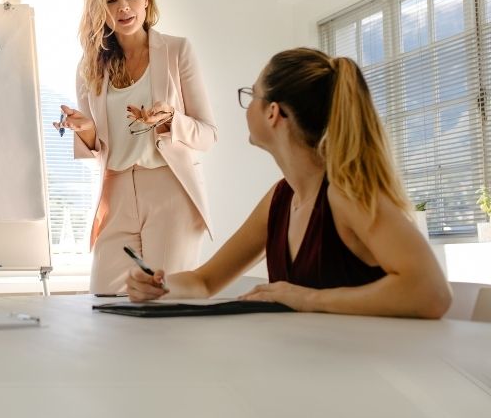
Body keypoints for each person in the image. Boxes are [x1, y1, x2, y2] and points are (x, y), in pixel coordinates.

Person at [126, 48, 453, 319]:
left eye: (251, 96)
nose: (247, 106)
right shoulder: (281, 198)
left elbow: (431, 292)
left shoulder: (345, 194)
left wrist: (308, 299)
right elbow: (205, 281)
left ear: (273, 112)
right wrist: (161, 285)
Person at [55, 0, 217, 294]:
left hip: (169, 189)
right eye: (110, 1)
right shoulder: (90, 69)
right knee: (103, 299)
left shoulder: (177, 51)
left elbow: (207, 134)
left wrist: (172, 118)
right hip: (115, 193)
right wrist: (85, 129)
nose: (123, 8)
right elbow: (98, 148)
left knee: (167, 300)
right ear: (99, 10)